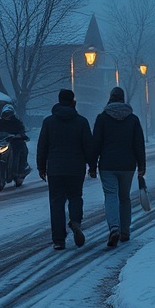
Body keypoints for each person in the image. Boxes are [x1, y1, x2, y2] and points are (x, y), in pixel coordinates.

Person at [36, 88, 94, 250]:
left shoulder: (49, 122)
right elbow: (88, 146)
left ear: (59, 101)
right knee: (75, 197)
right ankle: (75, 222)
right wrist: (92, 166)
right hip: (76, 168)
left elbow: (42, 146)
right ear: (73, 102)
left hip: (55, 168)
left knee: (56, 203)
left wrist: (41, 167)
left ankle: (58, 240)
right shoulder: (81, 122)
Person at [91, 86, 146, 248]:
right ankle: (125, 231)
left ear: (110, 98)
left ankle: (114, 228)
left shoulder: (102, 118)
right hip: (128, 165)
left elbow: (96, 143)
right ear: (123, 99)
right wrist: (141, 165)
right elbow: (139, 144)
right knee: (124, 197)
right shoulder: (133, 119)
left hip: (107, 164)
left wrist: (92, 165)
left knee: (110, 195)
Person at [0, 103, 29, 174]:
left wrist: (20, 135)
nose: (7, 116)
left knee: (21, 149)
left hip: (14, 142)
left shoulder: (17, 122)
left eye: (9, 114)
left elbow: (21, 130)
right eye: (5, 114)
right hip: (2, 142)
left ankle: (20, 170)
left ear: (12, 114)